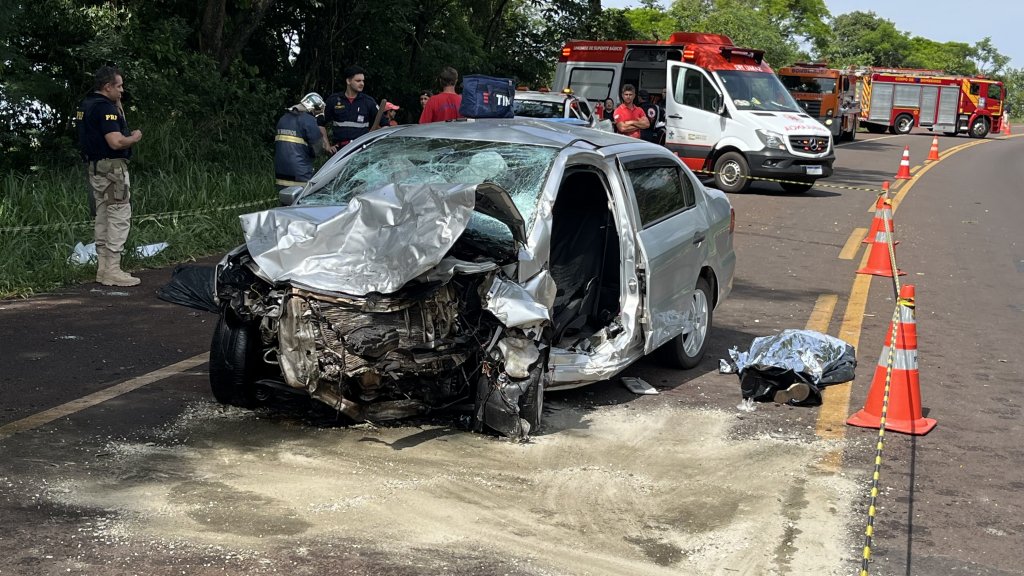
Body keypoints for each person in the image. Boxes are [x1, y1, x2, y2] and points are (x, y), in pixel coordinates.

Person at [77, 65, 142, 287]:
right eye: (119, 86)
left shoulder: (85, 105)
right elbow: (115, 141)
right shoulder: (106, 109)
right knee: (119, 214)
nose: (122, 91)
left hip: (94, 167)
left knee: (103, 214)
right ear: (108, 87)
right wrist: (133, 137)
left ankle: (103, 269)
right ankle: (113, 269)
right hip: (112, 168)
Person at [274, 92, 326, 191]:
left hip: (280, 173)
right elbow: (317, 149)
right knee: (301, 203)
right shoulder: (309, 120)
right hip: (300, 174)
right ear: (313, 107)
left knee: (285, 201)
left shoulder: (283, 119)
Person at [321, 65, 378, 154]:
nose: (362, 83)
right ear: (348, 81)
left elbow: (385, 125)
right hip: (339, 153)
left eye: (363, 81)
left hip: (362, 152)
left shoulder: (369, 102)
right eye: (358, 81)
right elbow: (320, 124)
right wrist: (327, 146)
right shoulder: (334, 100)